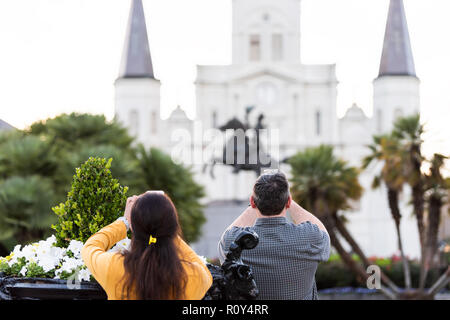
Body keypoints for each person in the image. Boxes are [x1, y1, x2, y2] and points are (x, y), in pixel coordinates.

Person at [218, 171, 330, 300]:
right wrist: (289, 201)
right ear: (288, 202)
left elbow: (224, 240)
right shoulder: (310, 237)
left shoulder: (235, 242)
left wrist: (256, 202)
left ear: (252, 202)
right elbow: (324, 234)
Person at [81, 191, 212, 300]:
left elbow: (90, 247)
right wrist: (167, 233)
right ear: (172, 227)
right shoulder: (194, 276)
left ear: (135, 228)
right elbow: (205, 272)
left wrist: (124, 222)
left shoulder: (115, 266)